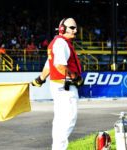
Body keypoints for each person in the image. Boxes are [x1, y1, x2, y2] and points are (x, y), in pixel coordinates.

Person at [32, 18, 83, 150]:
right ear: (62, 29)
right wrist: (75, 77)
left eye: (75, 28)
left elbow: (49, 65)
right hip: (65, 88)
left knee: (60, 121)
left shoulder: (55, 43)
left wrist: (40, 79)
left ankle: (57, 148)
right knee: (68, 120)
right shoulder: (61, 43)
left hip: (58, 86)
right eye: (72, 27)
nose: (75, 30)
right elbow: (59, 65)